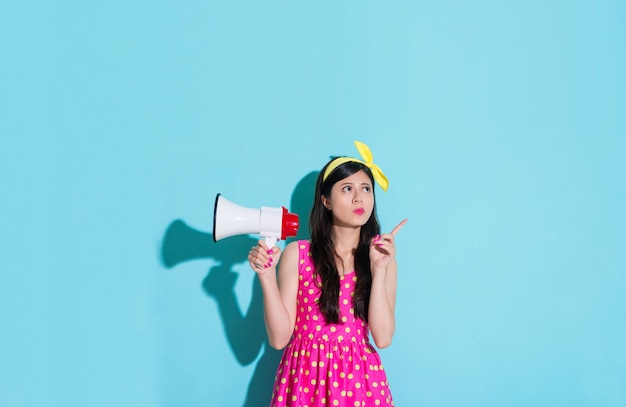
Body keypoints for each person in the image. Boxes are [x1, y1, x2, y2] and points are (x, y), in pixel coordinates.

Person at [248, 141, 407, 407]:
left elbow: (383, 337)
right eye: (347, 188)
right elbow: (278, 339)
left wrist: (379, 270)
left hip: (360, 387)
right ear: (326, 200)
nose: (359, 198)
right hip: (303, 384)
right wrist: (266, 276)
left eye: (366, 189)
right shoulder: (297, 254)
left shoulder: (383, 259)